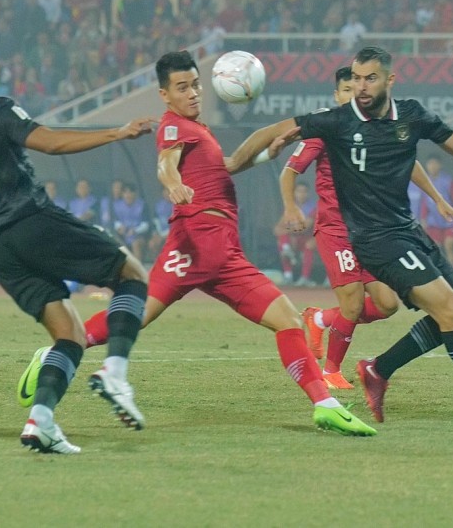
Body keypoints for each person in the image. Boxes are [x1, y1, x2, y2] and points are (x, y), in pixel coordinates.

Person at [231, 45, 453, 428]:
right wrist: (233, 163)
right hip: (375, 239)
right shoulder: (337, 121)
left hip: (408, 230)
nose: (362, 87)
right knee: (448, 312)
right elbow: (272, 132)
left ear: (389, 80)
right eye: (356, 78)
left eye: (370, 78)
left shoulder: (412, 116)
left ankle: (378, 368)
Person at [80, 50, 375, 436]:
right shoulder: (175, 127)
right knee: (142, 316)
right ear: (164, 95)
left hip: (214, 249)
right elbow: (165, 163)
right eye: (183, 88)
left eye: (196, 84)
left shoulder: (199, 130)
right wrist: (173, 185)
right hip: (200, 241)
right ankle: (324, 401)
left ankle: (325, 405)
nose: (194, 93)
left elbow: (230, 165)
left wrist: (271, 149)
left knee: (280, 319)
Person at [0, 31, 153, 454]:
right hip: (32, 221)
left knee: (70, 336)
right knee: (132, 274)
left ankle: (40, 421)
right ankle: (115, 371)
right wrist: (117, 132)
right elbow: (52, 143)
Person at [282, 66, 453, 389]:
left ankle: (320, 319)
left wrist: (436, 197)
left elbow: (408, 162)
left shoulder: (377, 126)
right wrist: (292, 206)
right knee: (352, 304)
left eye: (359, 88)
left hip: (371, 230)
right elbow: (289, 171)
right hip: (336, 230)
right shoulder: (326, 129)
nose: (356, 95)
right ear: (336, 96)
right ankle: (330, 372)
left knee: (387, 304)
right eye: (347, 91)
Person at [421, 155, 453, 275]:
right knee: (434, 248)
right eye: (430, 164)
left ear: (440, 165)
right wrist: (423, 219)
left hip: (449, 221)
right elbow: (424, 203)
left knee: (449, 245)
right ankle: (438, 276)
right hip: (433, 223)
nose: (432, 167)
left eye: (435, 164)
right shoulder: (424, 181)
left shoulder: (448, 181)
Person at [273, 180, 317, 286]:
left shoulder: (313, 208)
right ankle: (288, 275)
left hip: (308, 238)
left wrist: (287, 229)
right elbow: (277, 229)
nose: (301, 194)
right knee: (282, 239)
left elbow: (304, 227)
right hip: (293, 240)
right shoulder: (291, 207)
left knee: (309, 245)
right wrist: (286, 230)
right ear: (294, 193)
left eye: (304, 191)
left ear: (308, 193)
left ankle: (304, 278)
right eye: (299, 191)